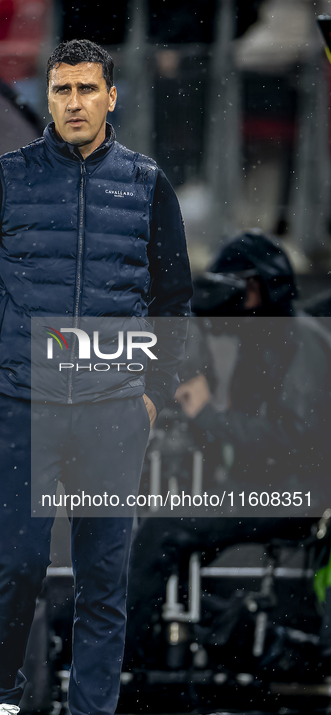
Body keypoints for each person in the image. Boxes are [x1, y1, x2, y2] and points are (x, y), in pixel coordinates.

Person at [0, 39, 192, 715]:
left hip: (114, 406)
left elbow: (174, 301)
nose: (72, 102)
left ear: (112, 97)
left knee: (102, 571)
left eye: (85, 88)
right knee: (14, 563)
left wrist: (150, 394)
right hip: (18, 402)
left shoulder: (147, 184)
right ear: (47, 99)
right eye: (60, 90)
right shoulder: (7, 179)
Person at [126, 231, 331, 669]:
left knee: (164, 532)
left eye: (240, 286)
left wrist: (206, 415)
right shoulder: (260, 343)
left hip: (295, 495)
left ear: (261, 286)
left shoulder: (302, 339)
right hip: (268, 488)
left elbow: (295, 441)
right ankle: (180, 657)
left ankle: (127, 670)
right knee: (164, 528)